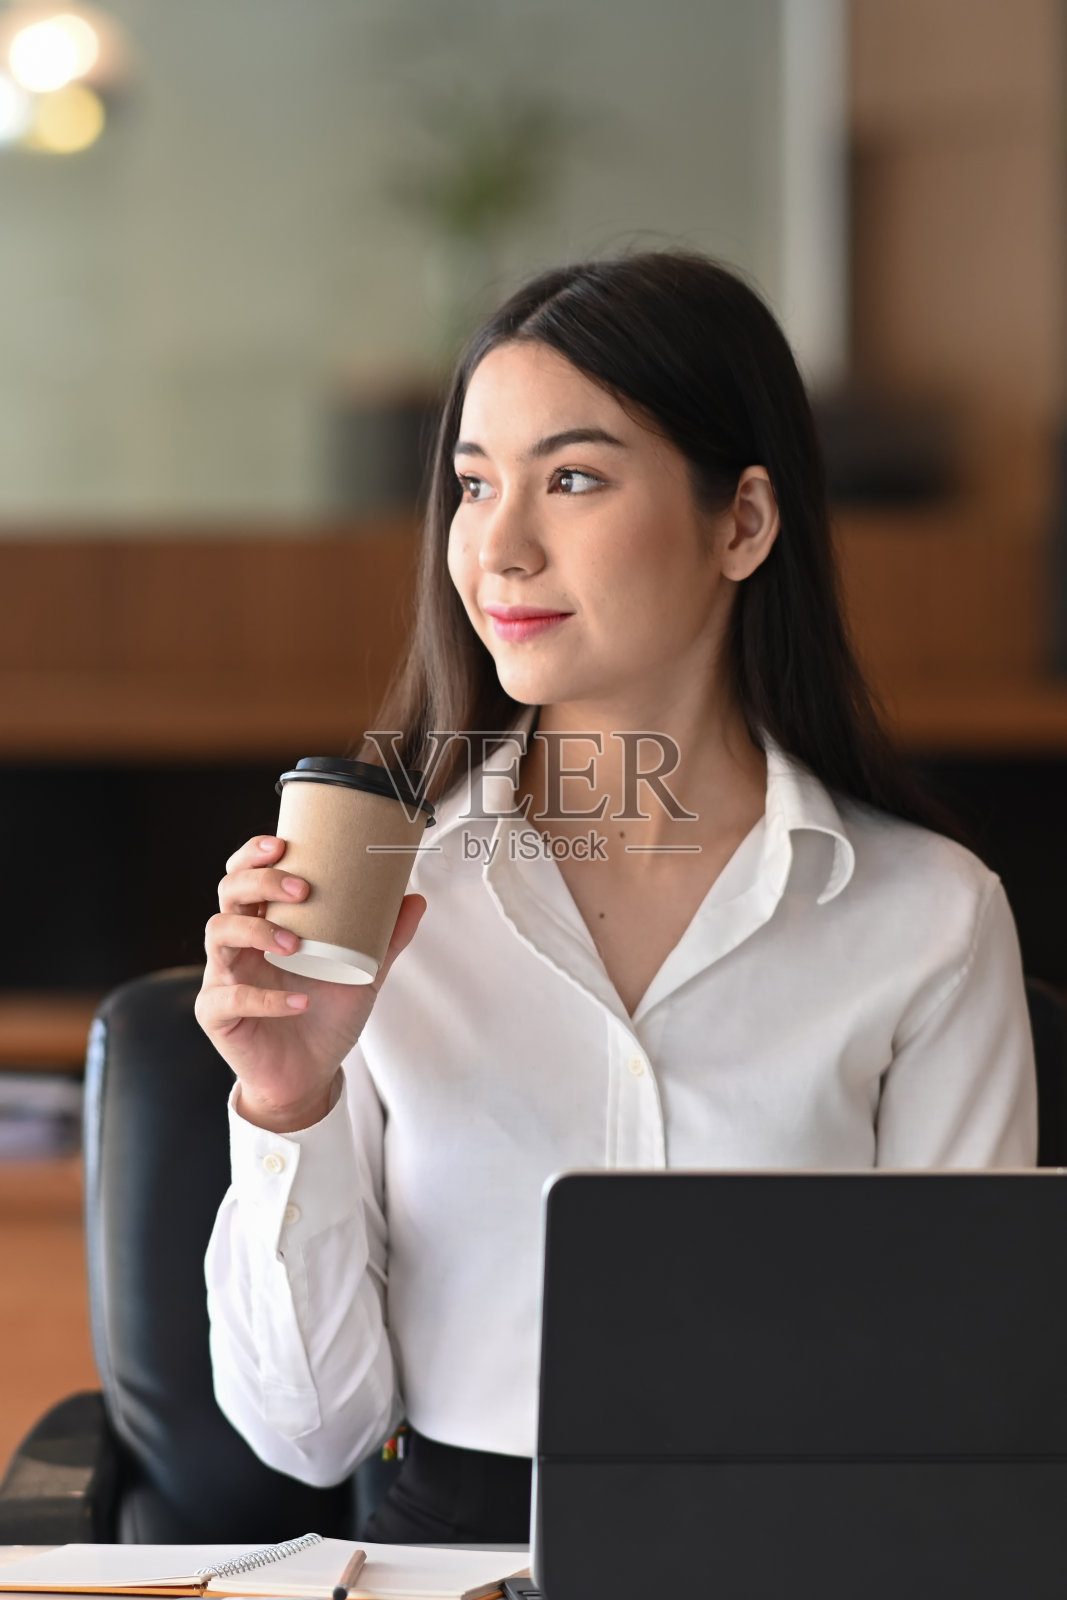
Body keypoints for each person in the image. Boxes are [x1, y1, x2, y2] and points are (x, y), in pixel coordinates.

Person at [197, 250, 1037, 1543]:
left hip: (807, 1559)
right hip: (455, 1559)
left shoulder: (927, 916)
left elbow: (969, 1405)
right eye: (475, 485)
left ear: (744, 523)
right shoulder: (378, 898)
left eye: (572, 478)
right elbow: (307, 1438)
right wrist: (286, 1098)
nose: (500, 545)